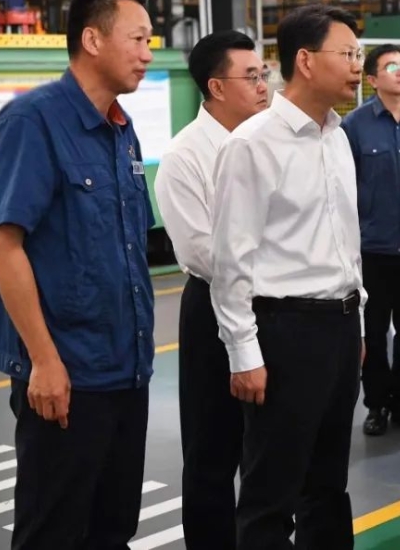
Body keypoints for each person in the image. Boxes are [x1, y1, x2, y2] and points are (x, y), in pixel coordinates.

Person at [0, 0, 157, 550]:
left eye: (149, 41)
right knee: (53, 532)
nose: (147, 54)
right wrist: (44, 361)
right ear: (92, 39)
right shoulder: (32, 121)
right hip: (67, 373)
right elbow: (5, 246)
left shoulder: (121, 129)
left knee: (113, 529)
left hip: (125, 368)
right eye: (137, 39)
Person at [210, 3, 368, 549]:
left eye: (359, 54)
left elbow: (345, 240)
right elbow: (231, 259)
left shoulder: (337, 136)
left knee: (328, 483)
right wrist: (243, 353)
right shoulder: (252, 144)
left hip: (339, 327)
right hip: (286, 332)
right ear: (305, 60)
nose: (357, 66)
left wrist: (357, 320)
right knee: (271, 490)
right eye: (347, 54)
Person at [153, 30, 270, 549]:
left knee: (270, 443)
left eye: (264, 74)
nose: (264, 86)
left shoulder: (271, 141)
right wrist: (278, 265)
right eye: (252, 77)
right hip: (213, 307)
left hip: (274, 306)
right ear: (216, 87)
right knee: (212, 447)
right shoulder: (184, 157)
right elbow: (203, 253)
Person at [342, 44, 400, 437]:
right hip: (373, 250)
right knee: (374, 333)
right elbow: (345, 188)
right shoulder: (354, 127)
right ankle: (376, 404)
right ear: (372, 79)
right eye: (392, 66)